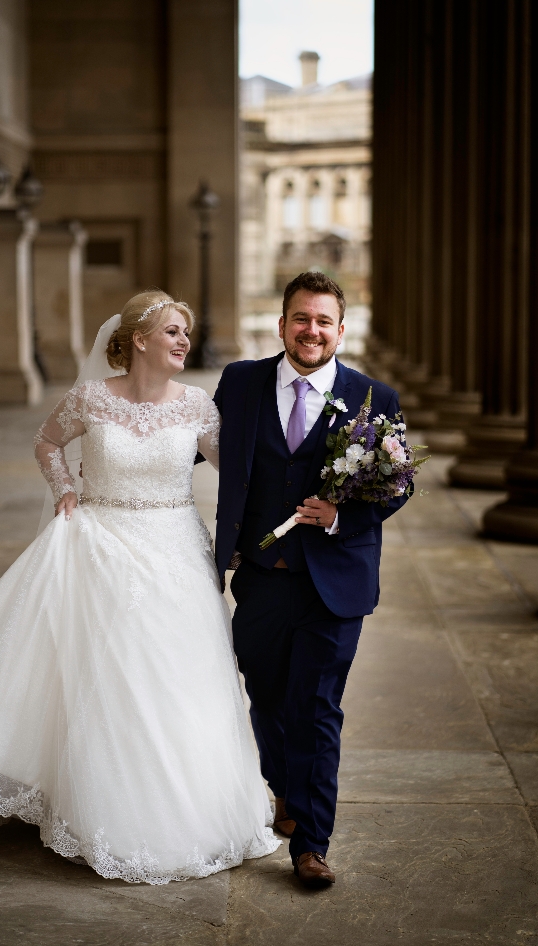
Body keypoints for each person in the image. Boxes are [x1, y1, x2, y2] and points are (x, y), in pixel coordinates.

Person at [0, 290, 279, 884]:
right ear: (138, 339)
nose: (185, 340)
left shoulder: (198, 408)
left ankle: (187, 807)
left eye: (186, 332)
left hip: (175, 553)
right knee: (110, 679)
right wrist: (64, 489)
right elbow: (47, 442)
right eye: (172, 331)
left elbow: (243, 471)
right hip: (101, 544)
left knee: (175, 680)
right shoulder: (89, 397)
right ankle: (106, 809)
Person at [212, 271, 409, 888]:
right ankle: (285, 792)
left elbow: (398, 483)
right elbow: (186, 443)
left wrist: (344, 515)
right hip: (263, 578)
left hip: (336, 583)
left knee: (318, 708)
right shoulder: (240, 383)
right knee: (266, 696)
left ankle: (312, 845)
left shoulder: (376, 398)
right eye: (301, 318)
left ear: (341, 330)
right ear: (282, 324)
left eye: (324, 320)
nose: (312, 330)